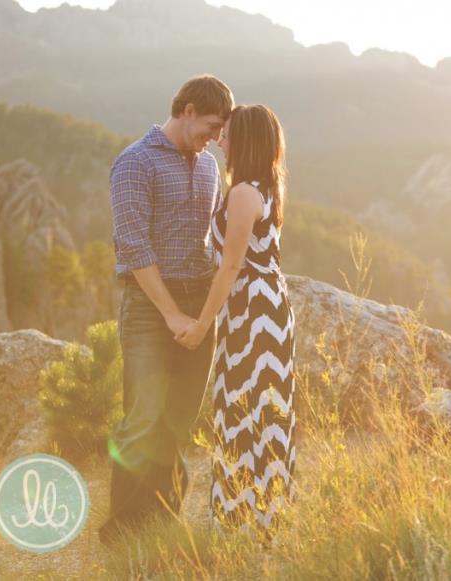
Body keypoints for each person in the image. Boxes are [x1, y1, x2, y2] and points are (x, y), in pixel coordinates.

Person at [99, 74, 234, 545]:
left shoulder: (211, 167)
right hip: (149, 307)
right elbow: (133, 248)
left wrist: (207, 311)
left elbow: (214, 242)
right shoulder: (134, 163)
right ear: (188, 109)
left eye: (221, 132)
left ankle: (160, 522)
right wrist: (172, 313)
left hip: (200, 303)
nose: (215, 139)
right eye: (212, 126)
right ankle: (121, 532)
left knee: (179, 418)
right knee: (143, 416)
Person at [175, 104, 296, 540]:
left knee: (248, 408)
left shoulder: (245, 192)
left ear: (242, 141)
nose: (220, 141)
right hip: (260, 305)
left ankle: (248, 519)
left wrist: (202, 324)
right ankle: (261, 514)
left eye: (226, 135)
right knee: (258, 407)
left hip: (253, 310)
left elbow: (231, 267)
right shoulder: (262, 185)